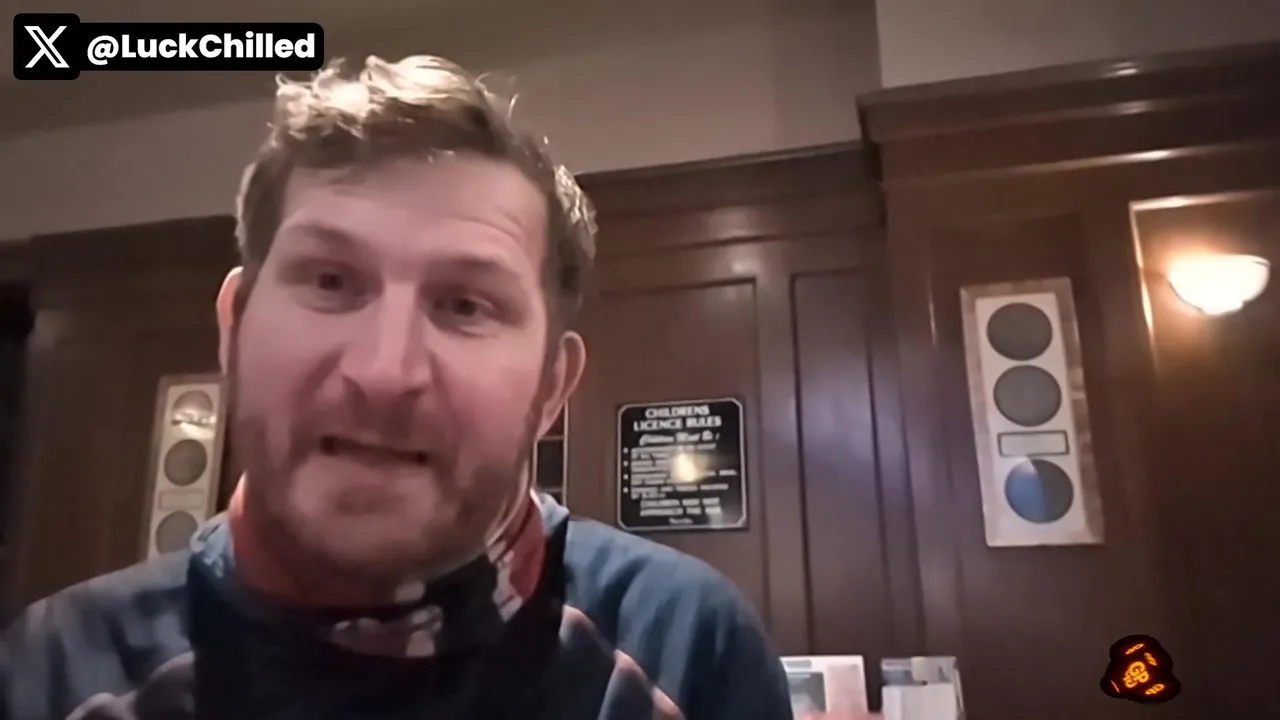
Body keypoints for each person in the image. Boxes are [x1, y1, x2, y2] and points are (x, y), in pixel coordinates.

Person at [0, 54, 829, 719]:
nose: (384, 371)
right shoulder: (56, 673)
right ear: (235, 326)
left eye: (465, 305)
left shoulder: (684, 651)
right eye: (330, 281)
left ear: (551, 388)